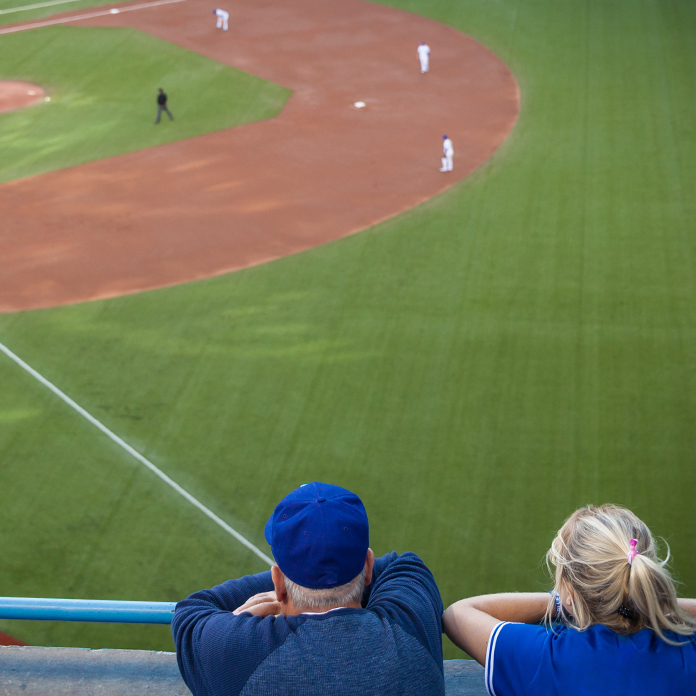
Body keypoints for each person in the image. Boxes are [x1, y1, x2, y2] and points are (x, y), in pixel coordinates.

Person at [172, 482, 445, 696]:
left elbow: (190, 612)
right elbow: (402, 563)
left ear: (278, 584)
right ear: (368, 567)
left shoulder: (236, 651)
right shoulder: (412, 624)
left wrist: (292, 587)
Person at [443, 504, 696, 696]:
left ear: (571, 595)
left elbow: (458, 615)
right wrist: (655, 604)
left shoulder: (548, 659)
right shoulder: (686, 650)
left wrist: (559, 603)